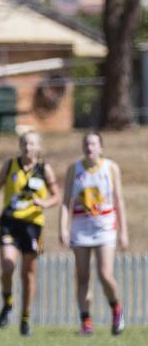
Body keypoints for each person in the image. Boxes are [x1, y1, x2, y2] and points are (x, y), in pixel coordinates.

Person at [0, 131, 60, 336]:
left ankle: (25, 318)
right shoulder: (10, 166)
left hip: (32, 225)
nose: (27, 147)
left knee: (28, 274)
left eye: (31, 144)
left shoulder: (44, 169)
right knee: (7, 265)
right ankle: (8, 301)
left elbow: (57, 196)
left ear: (38, 147)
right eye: (24, 143)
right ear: (19, 146)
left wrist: (44, 203)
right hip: (10, 223)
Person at [59, 132, 129, 336]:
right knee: (82, 277)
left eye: (93, 143)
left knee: (105, 273)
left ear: (101, 147)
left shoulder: (110, 167)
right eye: (86, 143)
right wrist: (63, 227)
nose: (89, 147)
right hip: (81, 228)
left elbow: (119, 200)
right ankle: (86, 321)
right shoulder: (75, 169)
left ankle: (116, 308)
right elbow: (65, 202)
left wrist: (123, 231)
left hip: (105, 227)